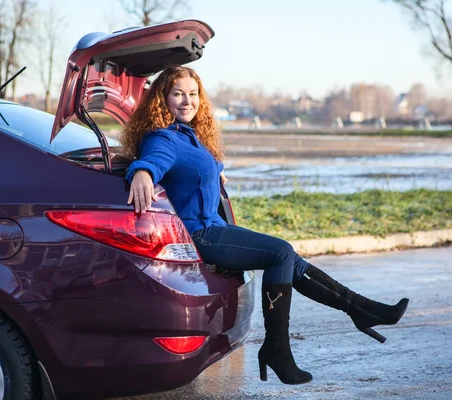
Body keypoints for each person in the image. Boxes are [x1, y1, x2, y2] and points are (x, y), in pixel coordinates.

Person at [122, 65, 409, 385]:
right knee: (281, 253)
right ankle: (277, 349)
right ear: (163, 98)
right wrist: (144, 173)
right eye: (178, 94)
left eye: (193, 94)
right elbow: (154, 159)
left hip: (213, 226)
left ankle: (361, 308)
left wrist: (213, 174)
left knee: (291, 259)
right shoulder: (164, 137)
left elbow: (194, 166)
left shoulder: (191, 135)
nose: (187, 101)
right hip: (199, 234)